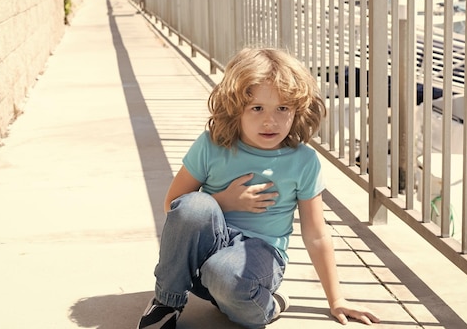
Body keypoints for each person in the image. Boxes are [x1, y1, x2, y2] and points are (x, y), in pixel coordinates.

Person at [137, 47, 380, 329]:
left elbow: (316, 233)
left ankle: (269, 304)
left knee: (225, 272)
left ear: (297, 110)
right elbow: (174, 206)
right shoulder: (211, 146)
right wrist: (224, 202)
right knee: (194, 205)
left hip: (258, 257)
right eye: (257, 108)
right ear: (235, 108)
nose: (270, 121)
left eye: (282, 109)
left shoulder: (303, 161)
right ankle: (166, 302)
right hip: (205, 255)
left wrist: (336, 299)